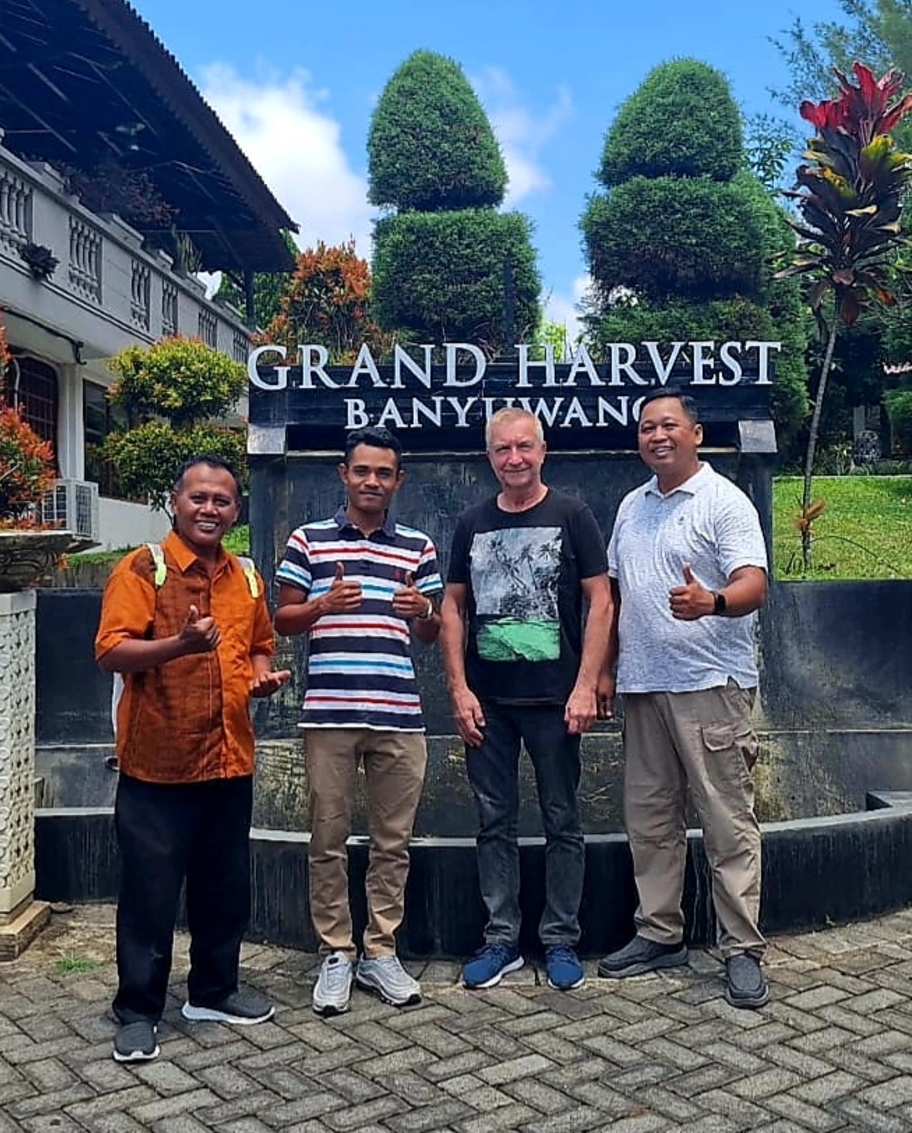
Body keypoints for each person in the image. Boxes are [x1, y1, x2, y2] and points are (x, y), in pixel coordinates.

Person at [94, 455, 290, 1064]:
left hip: (229, 760)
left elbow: (260, 645)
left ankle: (213, 991)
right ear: (175, 502)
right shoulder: (143, 569)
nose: (210, 509)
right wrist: (179, 644)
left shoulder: (246, 577)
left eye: (222, 501)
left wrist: (260, 677)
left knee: (223, 887)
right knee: (150, 895)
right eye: (199, 498)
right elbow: (110, 650)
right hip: (158, 763)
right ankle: (137, 1011)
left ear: (236, 511)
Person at [598, 389, 772, 1010]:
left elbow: (755, 583)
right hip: (643, 686)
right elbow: (614, 595)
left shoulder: (723, 501)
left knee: (727, 821)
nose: (657, 436)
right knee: (650, 819)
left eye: (668, 425)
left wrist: (713, 602)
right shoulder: (632, 506)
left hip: (710, 687)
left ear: (695, 434)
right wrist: (604, 671)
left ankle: (742, 948)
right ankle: (659, 932)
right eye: (646, 427)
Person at [441, 407, 614, 992]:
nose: (513, 459)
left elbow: (601, 602)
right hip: (488, 702)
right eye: (502, 449)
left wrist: (586, 684)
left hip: (556, 701)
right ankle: (501, 939)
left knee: (563, 818)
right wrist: (458, 689)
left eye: (523, 447)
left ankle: (561, 937)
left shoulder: (573, 515)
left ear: (542, 451)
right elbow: (452, 607)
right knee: (494, 821)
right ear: (489, 457)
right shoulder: (472, 521)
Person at [274, 428, 443, 1016]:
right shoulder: (309, 540)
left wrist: (424, 609)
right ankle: (336, 952)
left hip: (399, 713)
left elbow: (429, 633)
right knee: (328, 838)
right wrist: (323, 604)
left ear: (398, 481)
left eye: (384, 473)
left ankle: (380, 950)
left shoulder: (418, 546)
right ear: (343, 474)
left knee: (393, 842)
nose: (373, 481)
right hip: (330, 715)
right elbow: (283, 620)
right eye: (362, 471)